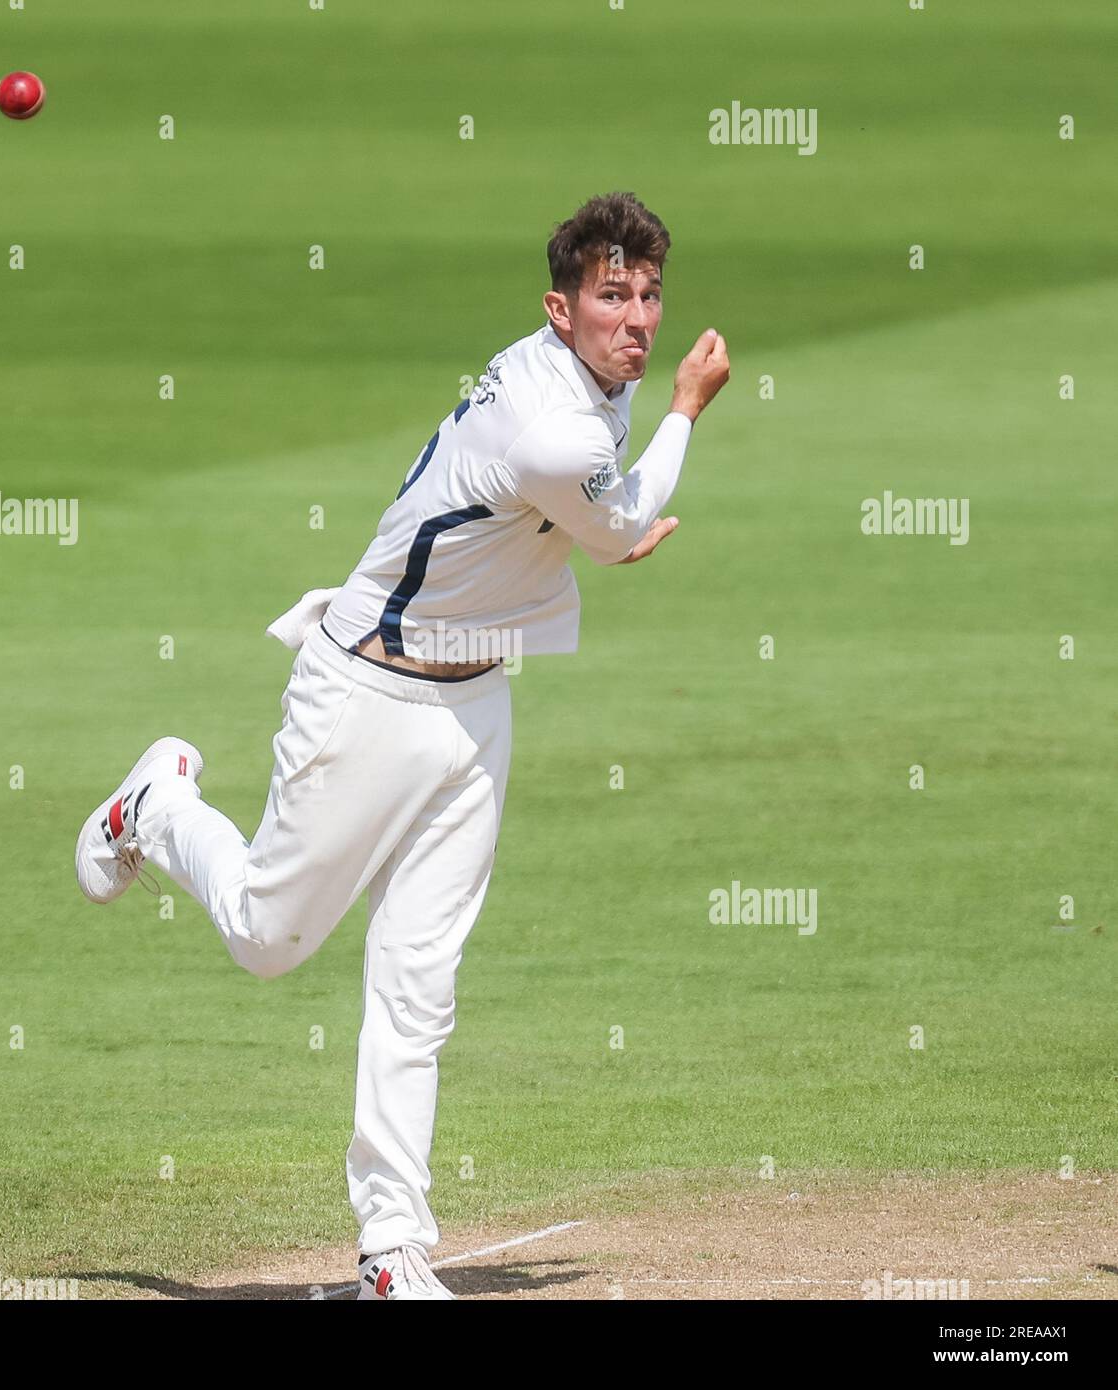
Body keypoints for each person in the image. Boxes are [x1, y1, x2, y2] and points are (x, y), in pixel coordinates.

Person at [74, 191, 730, 1300]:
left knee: (419, 979)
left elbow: (596, 516)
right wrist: (685, 413)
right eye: (611, 296)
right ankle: (159, 805)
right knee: (268, 938)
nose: (638, 319)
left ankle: (391, 1247)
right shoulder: (554, 426)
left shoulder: (574, 379)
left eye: (650, 295)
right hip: (367, 693)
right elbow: (618, 530)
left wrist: (627, 455)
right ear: (557, 311)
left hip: (474, 705)